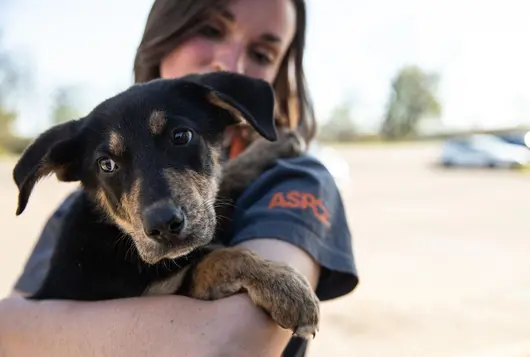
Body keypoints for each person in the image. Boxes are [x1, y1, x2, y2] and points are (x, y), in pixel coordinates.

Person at [0, 0, 358, 356]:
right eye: (211, 30)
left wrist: (33, 327)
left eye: (180, 137)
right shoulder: (76, 219)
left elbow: (228, 342)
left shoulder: (296, 178)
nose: (228, 62)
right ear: (163, 34)